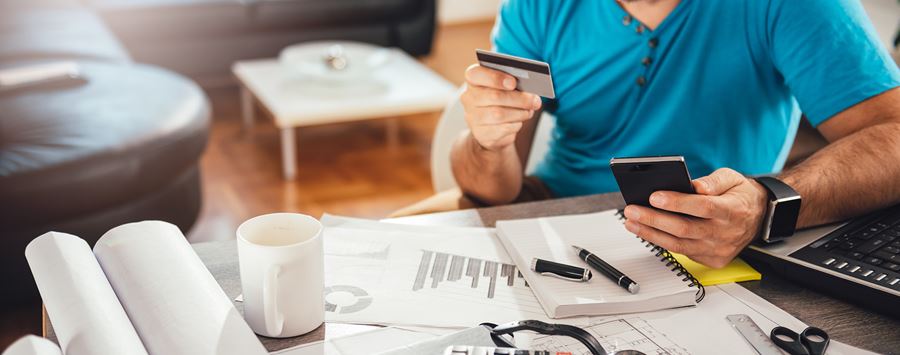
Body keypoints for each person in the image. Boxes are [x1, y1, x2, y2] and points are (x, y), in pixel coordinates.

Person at [451, 0, 900, 268]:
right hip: (550, 207)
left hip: (715, 230)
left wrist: (768, 203)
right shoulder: (538, 6)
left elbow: (894, 135)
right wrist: (487, 142)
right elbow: (495, 191)